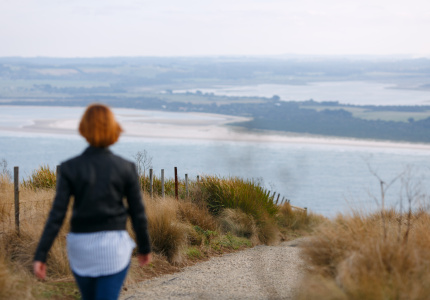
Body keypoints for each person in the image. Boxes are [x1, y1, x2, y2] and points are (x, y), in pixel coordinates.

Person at [33, 103, 152, 300]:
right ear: (113, 129)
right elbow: (138, 213)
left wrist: (41, 254)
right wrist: (145, 247)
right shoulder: (126, 168)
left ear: (84, 129)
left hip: (81, 249)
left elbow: (57, 214)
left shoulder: (69, 168)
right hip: (114, 248)